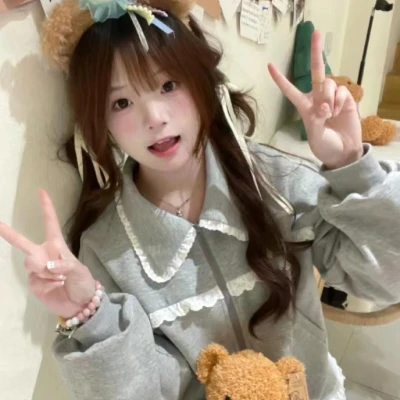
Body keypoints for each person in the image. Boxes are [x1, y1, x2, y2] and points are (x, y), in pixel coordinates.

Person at [1, 0, 400, 399]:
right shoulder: (107, 249)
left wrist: (352, 166)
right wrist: (90, 316)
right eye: (121, 102)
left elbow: (387, 278)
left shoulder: (273, 180)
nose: (154, 118)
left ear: (200, 82)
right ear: (100, 123)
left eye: (168, 85)